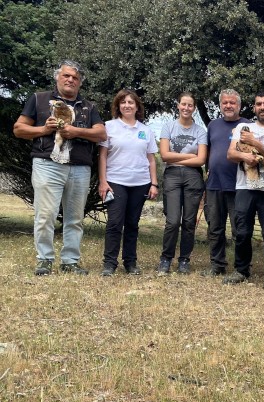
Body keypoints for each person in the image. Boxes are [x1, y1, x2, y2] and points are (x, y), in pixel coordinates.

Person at [13, 59, 106, 276]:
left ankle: (70, 262)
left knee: (75, 217)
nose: (70, 80)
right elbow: (19, 129)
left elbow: (101, 134)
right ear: (58, 77)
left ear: (80, 82)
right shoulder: (39, 99)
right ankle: (44, 260)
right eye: (66, 76)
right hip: (47, 164)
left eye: (75, 78)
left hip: (80, 168)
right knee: (45, 215)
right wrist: (43, 130)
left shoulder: (88, 107)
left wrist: (76, 132)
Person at [97, 90, 159, 276]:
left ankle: (130, 263)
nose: (127, 105)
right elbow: (102, 156)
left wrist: (154, 183)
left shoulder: (145, 130)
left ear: (137, 106)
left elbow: (152, 159)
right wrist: (103, 181)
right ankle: (109, 263)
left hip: (140, 183)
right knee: (115, 223)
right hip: (115, 182)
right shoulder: (108, 127)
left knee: (132, 224)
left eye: (131, 102)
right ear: (118, 106)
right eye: (123, 102)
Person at [224, 91, 264, 287]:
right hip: (244, 186)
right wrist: (245, 157)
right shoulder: (242, 127)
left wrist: (255, 143)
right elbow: (231, 153)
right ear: (254, 108)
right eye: (258, 104)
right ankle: (241, 270)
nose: (262, 107)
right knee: (242, 231)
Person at [157, 92, 208, 275]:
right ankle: (166, 258)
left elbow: (201, 160)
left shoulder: (200, 131)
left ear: (194, 108)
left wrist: (177, 159)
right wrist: (190, 156)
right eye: (183, 104)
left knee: (188, 221)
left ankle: (184, 259)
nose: (186, 108)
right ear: (178, 105)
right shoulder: (168, 127)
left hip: (193, 176)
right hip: (171, 175)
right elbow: (164, 155)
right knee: (172, 220)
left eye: (190, 105)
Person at [202, 89, 250, 276]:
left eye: (232, 103)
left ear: (239, 105)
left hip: (239, 185)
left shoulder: (248, 125)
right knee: (215, 228)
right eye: (225, 103)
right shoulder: (213, 125)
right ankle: (217, 265)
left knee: (240, 230)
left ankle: (241, 267)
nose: (228, 106)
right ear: (220, 105)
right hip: (214, 184)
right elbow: (208, 152)